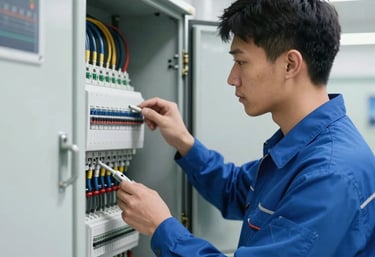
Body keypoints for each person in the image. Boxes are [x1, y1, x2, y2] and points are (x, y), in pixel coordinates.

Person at [117, 0, 375, 256]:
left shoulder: (328, 174)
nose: (232, 78)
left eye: (241, 61)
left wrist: (161, 227)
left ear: (290, 64)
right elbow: (235, 190)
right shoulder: (306, 148)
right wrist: (184, 142)